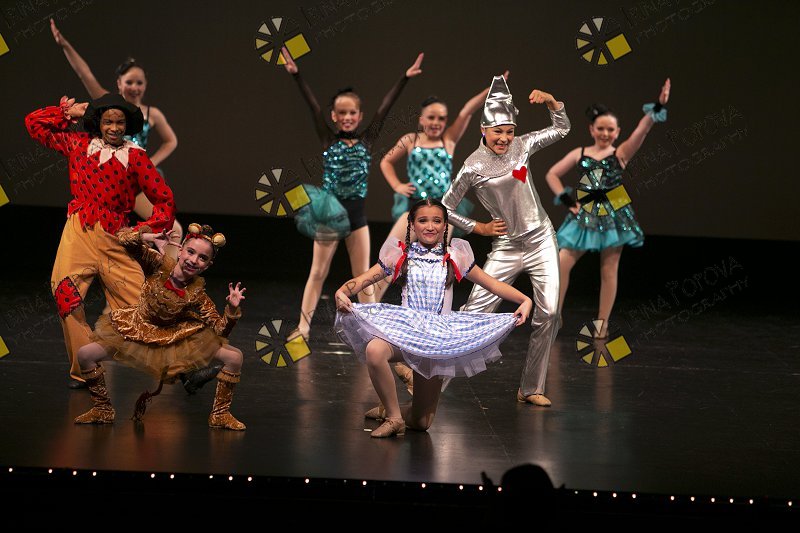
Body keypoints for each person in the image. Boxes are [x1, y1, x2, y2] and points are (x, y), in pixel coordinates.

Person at [334, 199, 532, 438]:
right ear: (412, 225)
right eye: (423, 221)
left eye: (436, 221)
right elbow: (364, 279)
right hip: (405, 329)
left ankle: (391, 410)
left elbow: (492, 284)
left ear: (445, 225)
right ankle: (394, 418)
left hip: (437, 339)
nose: (430, 226)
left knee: (422, 422)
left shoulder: (454, 256)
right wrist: (342, 291)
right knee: (375, 350)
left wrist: (524, 299)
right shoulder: (400, 255)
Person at [25, 94, 176, 388]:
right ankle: (85, 368)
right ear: (99, 122)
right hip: (79, 230)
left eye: (120, 122)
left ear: (127, 125)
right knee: (66, 294)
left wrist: (144, 229)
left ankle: (179, 368)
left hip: (115, 236)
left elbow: (164, 200)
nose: (114, 128)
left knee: (141, 306)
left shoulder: (136, 157)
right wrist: (67, 112)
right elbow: (34, 124)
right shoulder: (79, 144)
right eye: (108, 121)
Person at [442, 75, 570, 407]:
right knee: (474, 312)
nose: (504, 138)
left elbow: (561, 129)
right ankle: (431, 380)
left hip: (541, 240)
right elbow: (444, 208)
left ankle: (531, 388)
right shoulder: (472, 166)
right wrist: (479, 228)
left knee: (550, 313)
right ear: (483, 130)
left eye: (509, 131)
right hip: (507, 246)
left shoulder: (522, 146)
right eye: (498, 131)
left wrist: (551, 101)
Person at [281, 48, 424, 340]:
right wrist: (297, 75)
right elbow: (313, 107)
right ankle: (303, 327)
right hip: (329, 218)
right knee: (317, 273)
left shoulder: (367, 141)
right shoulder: (328, 139)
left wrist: (404, 78)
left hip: (357, 219)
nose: (347, 117)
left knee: (365, 278)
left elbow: (384, 109)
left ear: (359, 116)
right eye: (342, 113)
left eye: (352, 113)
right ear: (334, 116)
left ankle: (372, 331)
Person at [73, 223, 248, 431]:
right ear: (180, 250)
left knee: (235, 357)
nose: (193, 260)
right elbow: (124, 240)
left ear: (208, 265)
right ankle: (102, 409)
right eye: (190, 252)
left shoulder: (198, 295)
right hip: (137, 328)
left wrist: (232, 310)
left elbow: (220, 331)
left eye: (202, 258)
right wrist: (147, 237)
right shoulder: (158, 265)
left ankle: (220, 414)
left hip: (174, 338)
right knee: (85, 355)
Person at [545, 79, 671, 338]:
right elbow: (552, 174)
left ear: (617, 132)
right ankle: (554, 316)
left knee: (609, 269)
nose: (605, 133)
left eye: (610, 129)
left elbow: (642, 131)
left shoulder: (621, 153)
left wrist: (658, 106)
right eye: (600, 128)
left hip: (614, 213)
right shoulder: (580, 152)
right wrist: (568, 202)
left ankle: (602, 324)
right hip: (586, 213)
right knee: (561, 263)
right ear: (591, 129)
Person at [50, 19, 182, 258]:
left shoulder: (152, 113)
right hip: (108, 179)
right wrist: (65, 44)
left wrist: (151, 162)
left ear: (145, 85)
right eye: (129, 82)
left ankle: (166, 277)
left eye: (139, 82)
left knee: (172, 230)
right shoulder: (107, 102)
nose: (134, 87)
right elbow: (84, 74)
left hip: (134, 180)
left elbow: (171, 141)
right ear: (119, 83)